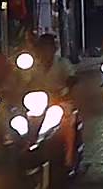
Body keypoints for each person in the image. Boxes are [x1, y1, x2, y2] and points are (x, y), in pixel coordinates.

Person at [28, 33, 81, 170]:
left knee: (67, 125)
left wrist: (67, 87)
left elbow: (72, 76)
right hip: (40, 105)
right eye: (42, 48)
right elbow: (26, 83)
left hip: (61, 102)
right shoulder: (35, 67)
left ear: (54, 48)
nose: (45, 51)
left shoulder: (63, 63)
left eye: (48, 47)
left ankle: (69, 158)